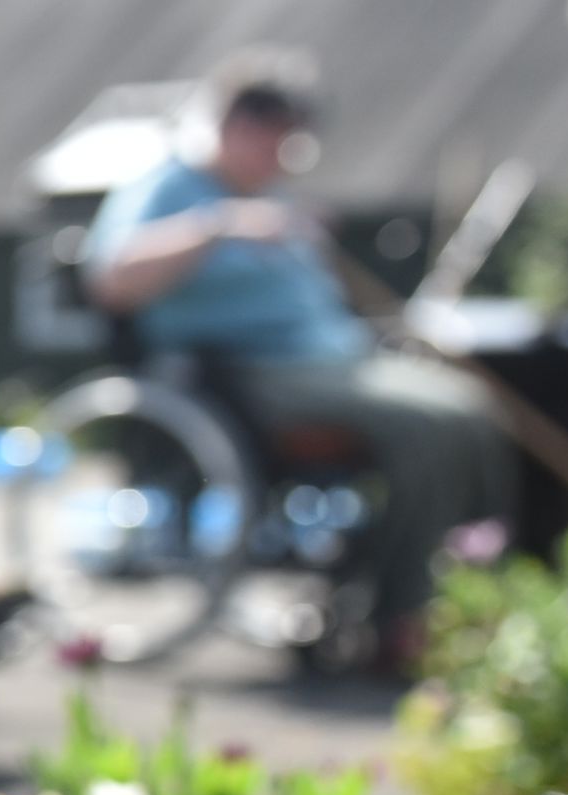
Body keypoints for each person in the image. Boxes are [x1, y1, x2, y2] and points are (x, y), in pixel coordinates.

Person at [84, 50, 518, 669]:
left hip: (337, 359)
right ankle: (399, 613)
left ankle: (460, 589)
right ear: (237, 128)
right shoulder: (171, 189)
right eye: (274, 141)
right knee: (430, 426)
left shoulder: (274, 197)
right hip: (253, 374)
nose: (282, 159)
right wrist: (221, 224)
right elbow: (113, 279)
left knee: (472, 411)